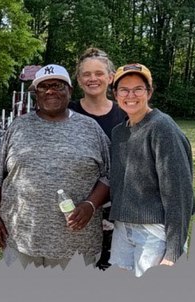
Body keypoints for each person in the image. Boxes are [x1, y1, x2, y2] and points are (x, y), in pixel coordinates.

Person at [0, 64, 110, 269]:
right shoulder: (18, 126)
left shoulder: (90, 128)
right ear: (36, 94)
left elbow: (110, 175)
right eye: (43, 87)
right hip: (21, 239)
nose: (50, 90)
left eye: (57, 85)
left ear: (70, 91)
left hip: (76, 244)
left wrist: (90, 204)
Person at [108, 63, 195, 277]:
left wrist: (173, 251)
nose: (131, 95)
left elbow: (179, 193)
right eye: (124, 89)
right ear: (115, 94)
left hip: (153, 232)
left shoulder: (162, 128)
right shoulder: (119, 132)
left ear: (149, 92)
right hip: (123, 230)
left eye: (138, 88)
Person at [69, 47, 126, 269]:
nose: (93, 78)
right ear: (79, 79)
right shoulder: (67, 112)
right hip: (75, 208)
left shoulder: (125, 114)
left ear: (111, 78)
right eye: (86, 74)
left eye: (99, 73)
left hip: (116, 210)